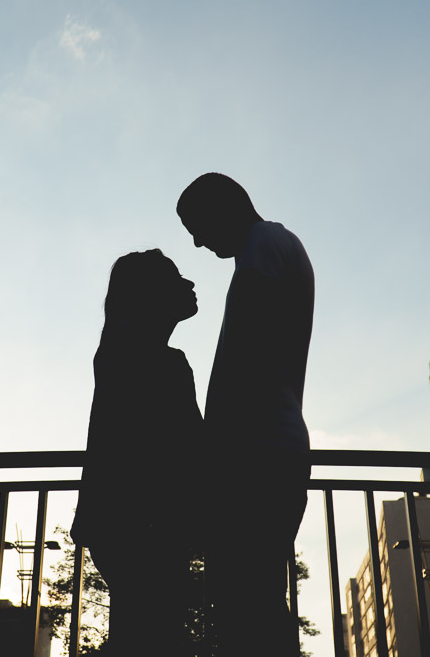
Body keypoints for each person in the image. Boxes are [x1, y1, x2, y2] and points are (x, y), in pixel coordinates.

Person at [176, 172, 315, 657]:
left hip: (256, 456)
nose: (196, 241)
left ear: (225, 207)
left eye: (198, 225)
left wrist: (212, 454)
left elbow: (244, 355)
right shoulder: (270, 247)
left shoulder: (263, 245)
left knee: (245, 607)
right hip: (265, 451)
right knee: (252, 603)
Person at [71, 249, 204, 657]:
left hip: (123, 526)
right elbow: (192, 447)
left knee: (139, 634)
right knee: (156, 638)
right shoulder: (160, 364)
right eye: (177, 278)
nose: (191, 284)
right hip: (149, 527)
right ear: (153, 296)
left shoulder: (118, 354)